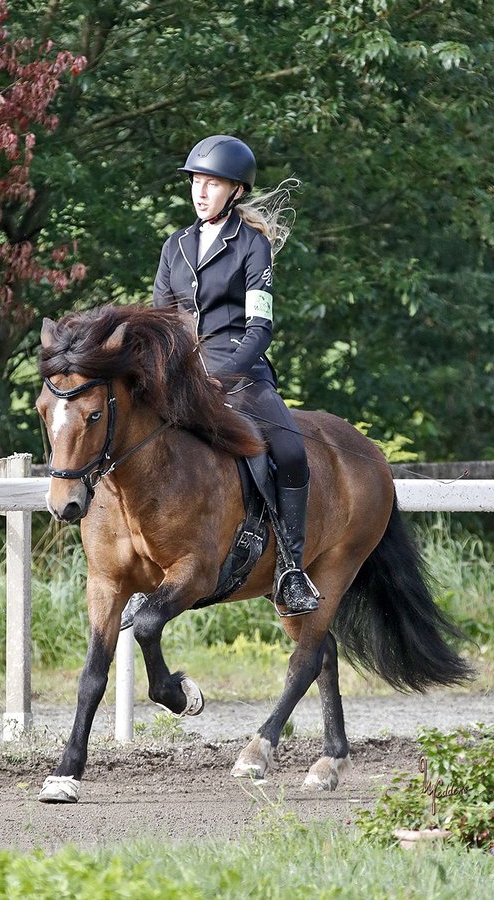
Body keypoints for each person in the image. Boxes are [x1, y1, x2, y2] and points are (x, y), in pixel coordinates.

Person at [152, 134, 319, 616]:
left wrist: (221, 376)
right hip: (181, 375)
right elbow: (162, 319)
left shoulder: (252, 246)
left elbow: (259, 329)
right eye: (196, 182)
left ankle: (291, 570)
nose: (200, 192)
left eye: (212, 184)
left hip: (241, 375)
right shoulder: (175, 245)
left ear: (236, 191)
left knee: (291, 451)